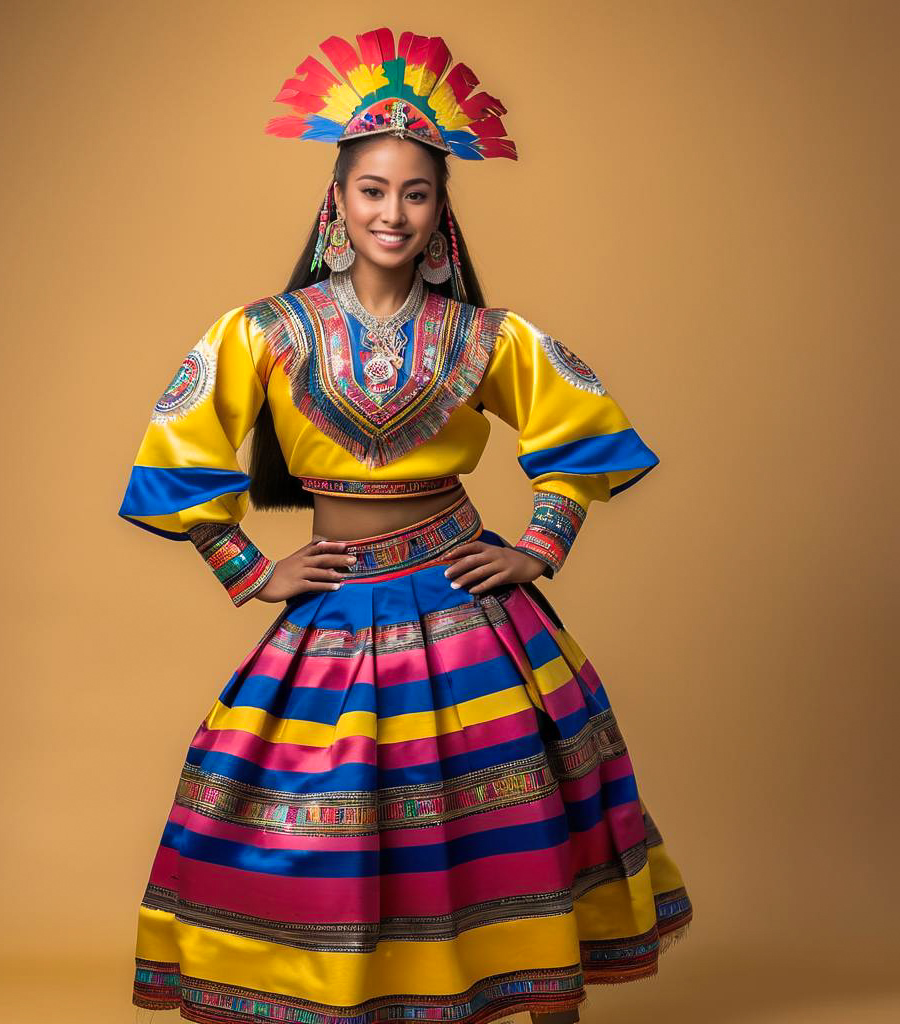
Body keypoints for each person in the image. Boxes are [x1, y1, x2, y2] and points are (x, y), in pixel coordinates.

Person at [119, 27, 693, 1024]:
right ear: (336, 202)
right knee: (314, 827)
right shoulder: (261, 330)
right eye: (373, 190)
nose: (394, 211)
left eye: (416, 192)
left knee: (514, 813)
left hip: (472, 609)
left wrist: (538, 545)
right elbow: (175, 457)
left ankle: (534, 995)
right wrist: (250, 566)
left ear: (442, 210)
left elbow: (580, 434)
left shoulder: (487, 336)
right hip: (337, 607)